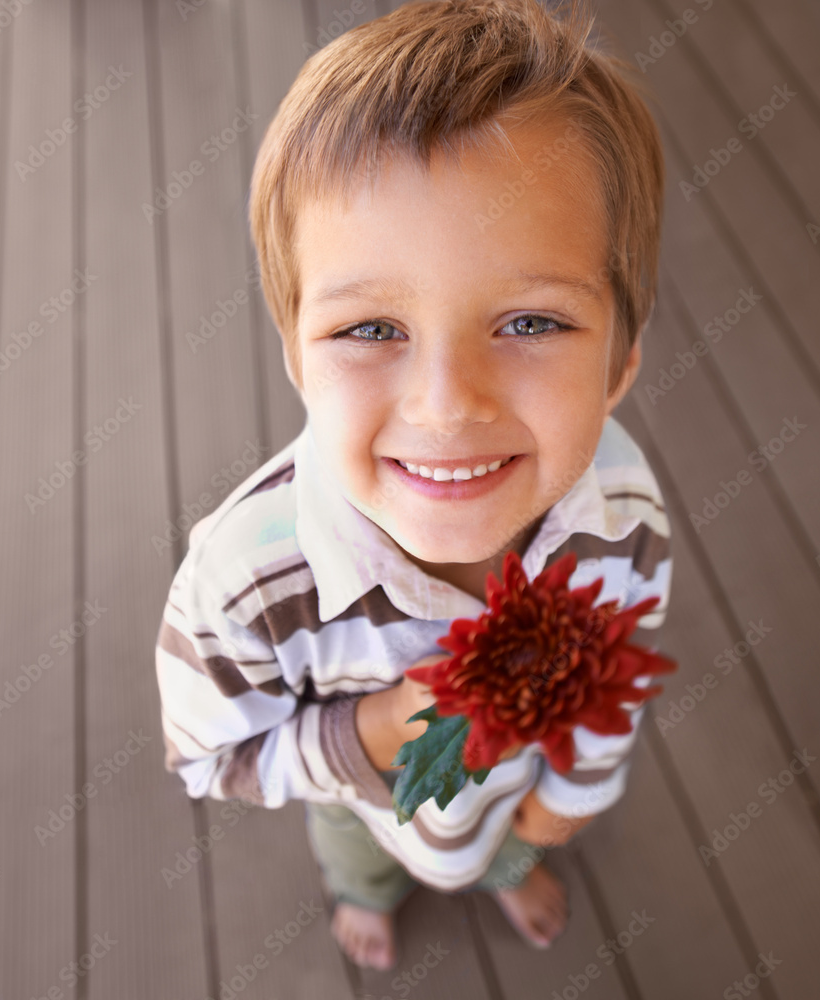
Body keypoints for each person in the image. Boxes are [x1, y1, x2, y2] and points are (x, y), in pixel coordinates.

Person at [154, 0, 671, 972]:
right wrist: (375, 731)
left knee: (509, 835)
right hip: (366, 801)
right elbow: (214, 753)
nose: (444, 404)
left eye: (528, 322)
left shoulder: (623, 520)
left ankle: (503, 863)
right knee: (366, 856)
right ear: (297, 358)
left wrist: (568, 798)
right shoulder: (247, 583)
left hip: (517, 784)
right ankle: (366, 894)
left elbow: (621, 670)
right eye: (371, 328)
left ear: (619, 361)